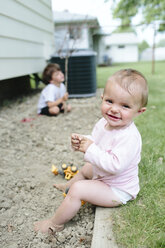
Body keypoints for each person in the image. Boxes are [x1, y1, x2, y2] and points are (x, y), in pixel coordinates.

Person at [34, 68, 148, 234]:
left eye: (125, 106)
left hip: (117, 190)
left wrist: (90, 148)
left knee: (79, 189)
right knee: (87, 168)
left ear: (139, 111)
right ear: (102, 98)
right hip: (104, 177)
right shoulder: (103, 122)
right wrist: (82, 140)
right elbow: (96, 141)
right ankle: (67, 185)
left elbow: (115, 165)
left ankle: (54, 224)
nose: (114, 109)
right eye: (110, 101)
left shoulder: (129, 137)